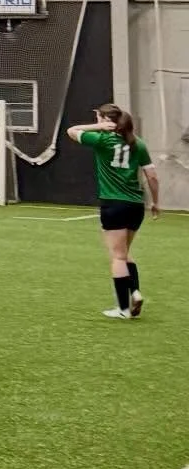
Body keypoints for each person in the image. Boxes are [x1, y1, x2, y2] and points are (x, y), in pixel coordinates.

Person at [67, 105, 160, 318]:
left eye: (99, 117)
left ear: (105, 121)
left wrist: (98, 127)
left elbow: (71, 131)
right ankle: (135, 291)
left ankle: (123, 309)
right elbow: (152, 176)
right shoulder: (138, 144)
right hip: (136, 205)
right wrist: (155, 202)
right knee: (125, 253)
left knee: (117, 257)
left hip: (113, 204)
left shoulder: (102, 140)